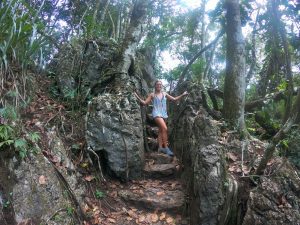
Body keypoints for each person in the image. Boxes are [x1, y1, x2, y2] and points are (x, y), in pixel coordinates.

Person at [134, 80, 188, 156]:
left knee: (160, 131)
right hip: (156, 113)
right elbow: (144, 103)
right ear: (155, 86)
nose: (159, 86)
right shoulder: (152, 95)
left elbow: (174, 99)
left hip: (164, 114)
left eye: (160, 84)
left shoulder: (164, 94)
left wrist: (183, 94)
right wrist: (136, 96)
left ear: (161, 86)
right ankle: (166, 148)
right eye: (157, 84)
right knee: (165, 128)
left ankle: (160, 148)